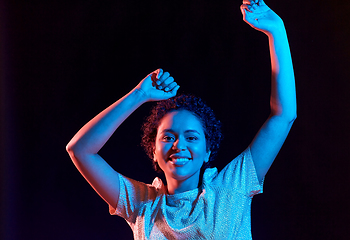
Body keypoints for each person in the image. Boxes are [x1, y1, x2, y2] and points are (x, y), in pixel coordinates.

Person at [66, 0, 297, 239]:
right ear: (153, 150)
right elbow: (80, 150)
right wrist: (139, 95)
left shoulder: (231, 189)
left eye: (192, 137)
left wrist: (276, 31)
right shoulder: (139, 203)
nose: (179, 145)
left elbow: (283, 116)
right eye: (168, 137)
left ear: (207, 151)